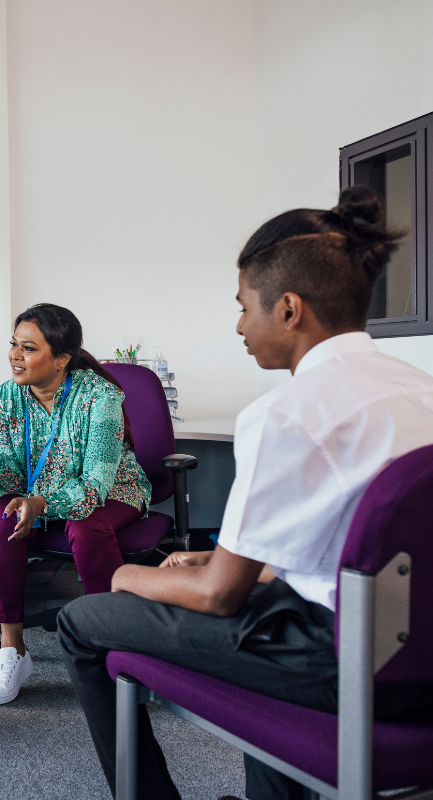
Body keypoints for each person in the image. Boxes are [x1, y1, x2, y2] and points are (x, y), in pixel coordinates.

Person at [58, 186, 433, 800]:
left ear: (288, 308)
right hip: (417, 648)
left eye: (243, 307)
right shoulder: (419, 390)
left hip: (341, 659)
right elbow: (353, 543)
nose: (239, 326)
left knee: (82, 618)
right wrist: (218, 556)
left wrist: (125, 576)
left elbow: (218, 596)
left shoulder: (287, 413)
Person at [0, 304, 151, 705]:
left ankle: (110, 647)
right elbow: (11, 477)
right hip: (39, 494)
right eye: (14, 345)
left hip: (114, 491)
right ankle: (13, 650)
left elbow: (95, 484)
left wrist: (42, 501)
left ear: (61, 359)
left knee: (86, 526)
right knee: (1, 520)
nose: (14, 355)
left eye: (28, 348)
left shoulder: (100, 397)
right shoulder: (7, 398)